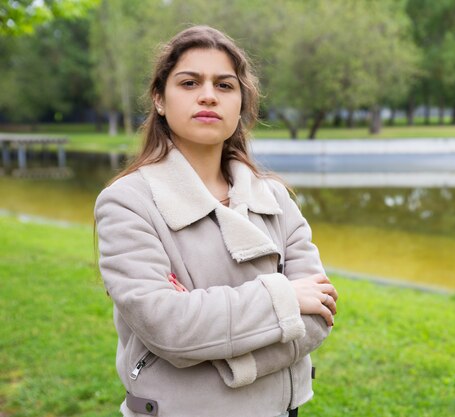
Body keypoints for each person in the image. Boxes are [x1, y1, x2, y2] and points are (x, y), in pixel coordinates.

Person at [95, 25, 338, 417]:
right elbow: (169, 328)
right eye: (190, 82)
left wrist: (219, 349)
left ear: (241, 103)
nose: (208, 95)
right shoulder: (127, 202)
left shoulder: (273, 196)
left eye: (224, 86)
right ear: (159, 99)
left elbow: (319, 316)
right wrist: (285, 298)